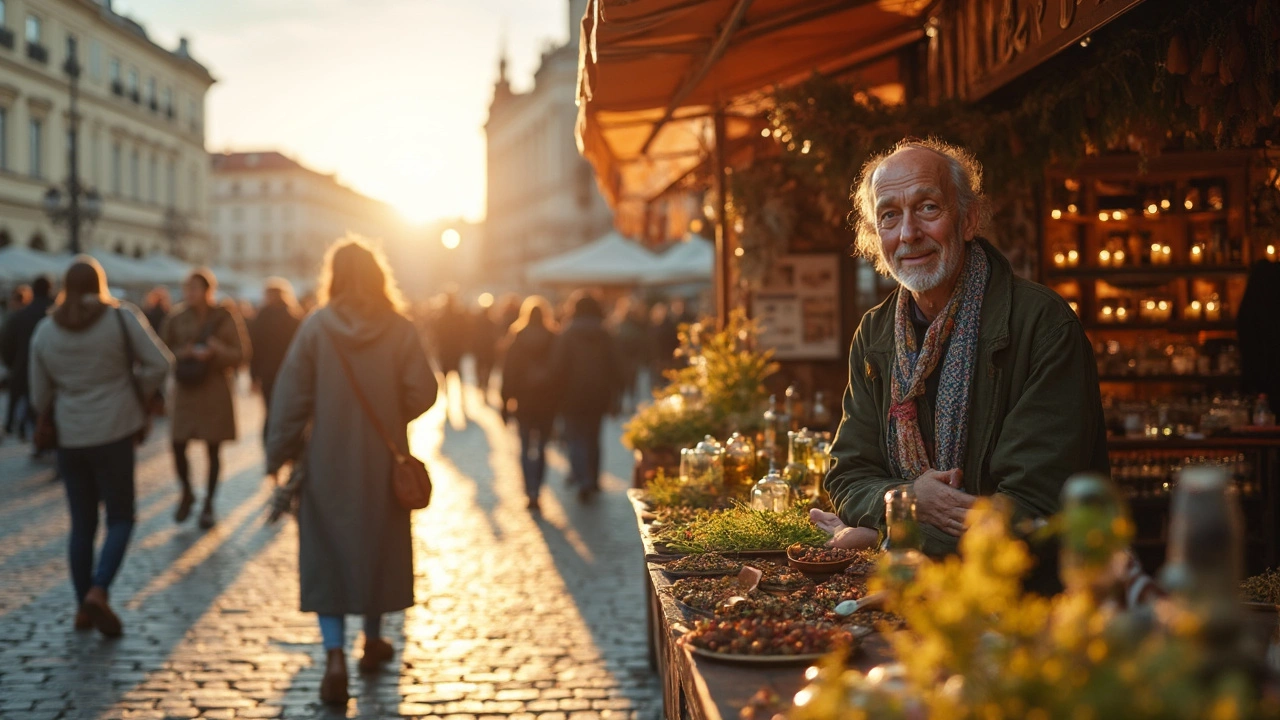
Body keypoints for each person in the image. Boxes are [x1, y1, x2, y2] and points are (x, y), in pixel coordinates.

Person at [814, 139, 1108, 589]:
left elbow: (1032, 508)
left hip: (1031, 608)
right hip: (911, 601)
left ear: (969, 219)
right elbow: (849, 474)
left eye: (928, 208)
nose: (908, 233)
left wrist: (884, 534)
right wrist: (909, 501)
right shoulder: (874, 335)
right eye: (889, 215)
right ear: (876, 236)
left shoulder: (1042, 325)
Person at [265, 238, 438, 706]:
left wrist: (277, 454)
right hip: (383, 461)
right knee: (377, 545)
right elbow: (425, 390)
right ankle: (374, 640)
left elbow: (290, 397)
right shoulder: (399, 327)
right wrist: (391, 410)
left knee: (327, 553)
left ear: (333, 276)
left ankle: (335, 656)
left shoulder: (317, 328)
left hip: (326, 459)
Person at [29, 258, 173, 637]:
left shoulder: (46, 330)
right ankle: (99, 588)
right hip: (115, 430)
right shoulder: (121, 318)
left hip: (71, 437)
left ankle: (82, 607)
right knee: (121, 517)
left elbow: (39, 394)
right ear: (100, 283)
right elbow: (160, 363)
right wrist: (134, 392)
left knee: (81, 525)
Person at [162, 269, 251, 530]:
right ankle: (187, 492)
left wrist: (215, 350)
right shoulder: (176, 317)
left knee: (213, 448)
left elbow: (242, 353)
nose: (189, 293)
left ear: (207, 290)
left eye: (194, 288)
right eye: (186, 288)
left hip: (214, 390)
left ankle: (209, 504)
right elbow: (161, 349)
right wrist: (184, 352)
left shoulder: (225, 317)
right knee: (178, 443)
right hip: (186, 390)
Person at [549, 291, 625, 503]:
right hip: (599, 393)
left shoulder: (567, 333)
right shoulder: (605, 333)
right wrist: (618, 392)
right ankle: (593, 479)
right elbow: (617, 365)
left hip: (571, 394)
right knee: (593, 436)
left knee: (575, 437)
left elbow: (557, 367)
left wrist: (555, 392)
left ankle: (582, 478)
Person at [499, 296, 559, 512]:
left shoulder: (518, 337)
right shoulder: (553, 337)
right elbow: (559, 372)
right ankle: (537, 489)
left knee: (525, 447)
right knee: (541, 447)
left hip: (524, 401)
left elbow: (508, 372)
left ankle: (529, 490)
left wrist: (505, 402)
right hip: (546, 402)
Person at [248, 278, 303, 444]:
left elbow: (254, 349)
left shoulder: (262, 317)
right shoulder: (294, 317)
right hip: (288, 372)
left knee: (270, 410)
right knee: (284, 409)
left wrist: (253, 376)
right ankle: (282, 443)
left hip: (269, 372)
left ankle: (270, 444)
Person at [3, 276, 55, 444]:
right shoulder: (57, 314)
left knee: (22, 402)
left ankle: (16, 428)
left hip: (20, 368)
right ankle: (39, 439)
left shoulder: (19, 316)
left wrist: (12, 364)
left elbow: (6, 345)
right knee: (43, 409)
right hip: (50, 371)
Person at [611, 298, 650, 414]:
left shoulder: (617, 325)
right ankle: (628, 406)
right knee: (630, 387)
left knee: (621, 387)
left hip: (623, 361)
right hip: (630, 361)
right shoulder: (634, 325)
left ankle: (619, 407)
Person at [469, 302, 502, 402]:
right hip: (488, 349)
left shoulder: (477, 322)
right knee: (487, 367)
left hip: (480, 349)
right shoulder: (492, 322)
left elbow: (473, 335)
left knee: (480, 367)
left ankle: (481, 383)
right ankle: (485, 384)